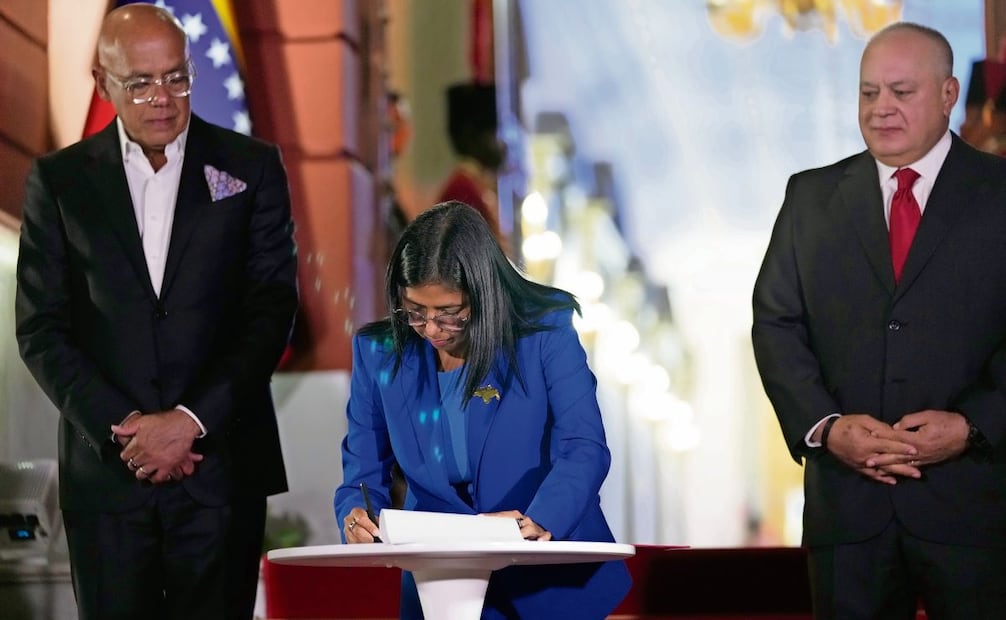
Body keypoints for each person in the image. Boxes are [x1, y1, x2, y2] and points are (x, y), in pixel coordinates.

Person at [15, 4, 298, 619]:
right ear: (103, 83)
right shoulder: (58, 181)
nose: (162, 98)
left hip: (221, 471)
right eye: (139, 82)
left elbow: (272, 309)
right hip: (109, 479)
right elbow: (40, 328)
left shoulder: (251, 168)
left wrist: (191, 421)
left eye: (175, 77)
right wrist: (130, 429)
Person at [752, 22, 1006, 620]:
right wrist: (826, 426)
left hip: (977, 504)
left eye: (901, 91)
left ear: (948, 95)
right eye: (869, 94)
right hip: (849, 513)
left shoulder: (999, 194)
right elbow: (775, 324)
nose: (881, 109)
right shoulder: (809, 199)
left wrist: (971, 427)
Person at [334, 201, 630, 618]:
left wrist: (543, 518)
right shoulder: (379, 354)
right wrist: (355, 514)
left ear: (483, 293)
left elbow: (584, 446)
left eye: (449, 314)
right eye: (416, 313)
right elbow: (362, 472)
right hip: (438, 581)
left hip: (544, 574)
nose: (432, 330)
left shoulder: (544, 332)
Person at [437, 82, 508, 248]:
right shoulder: (461, 191)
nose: (501, 143)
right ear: (474, 137)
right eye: (494, 134)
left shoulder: (473, 186)